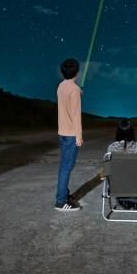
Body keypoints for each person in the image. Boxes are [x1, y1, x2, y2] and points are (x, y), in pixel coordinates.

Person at [55, 58, 83, 212]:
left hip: (62, 132)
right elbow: (76, 115)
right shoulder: (74, 90)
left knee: (65, 165)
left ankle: (64, 194)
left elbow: (67, 98)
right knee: (67, 167)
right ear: (77, 72)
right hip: (71, 134)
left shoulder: (61, 86)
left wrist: (78, 92)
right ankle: (60, 201)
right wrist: (79, 136)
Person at [106, 118, 137, 210]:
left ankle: (125, 200)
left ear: (118, 132)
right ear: (131, 132)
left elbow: (108, 170)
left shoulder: (111, 148)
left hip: (118, 189)